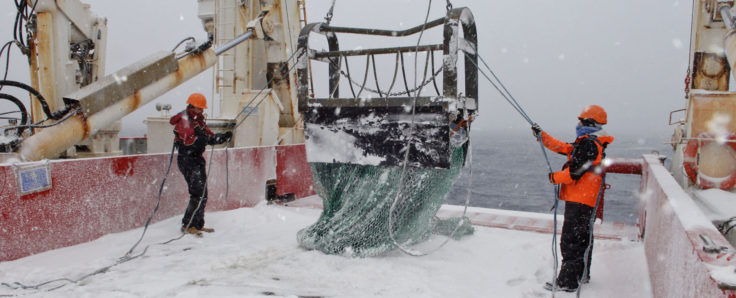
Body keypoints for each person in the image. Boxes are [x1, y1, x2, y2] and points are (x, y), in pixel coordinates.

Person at [532, 105, 614, 292]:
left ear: (589, 123)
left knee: (571, 240)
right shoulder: (590, 143)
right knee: (583, 238)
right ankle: (581, 275)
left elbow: (574, 173)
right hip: (585, 198)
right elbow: (563, 147)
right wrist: (541, 135)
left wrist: (554, 177)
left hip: (580, 198)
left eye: (581, 121)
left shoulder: (588, 145)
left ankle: (567, 282)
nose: (577, 124)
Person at [170, 93, 232, 236]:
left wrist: (221, 137)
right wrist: (205, 139)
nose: (202, 111)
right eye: (200, 108)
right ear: (194, 107)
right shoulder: (185, 120)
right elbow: (190, 141)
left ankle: (197, 224)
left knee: (203, 193)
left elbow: (208, 137)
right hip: (187, 159)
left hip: (196, 159)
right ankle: (188, 224)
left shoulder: (198, 120)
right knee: (197, 193)